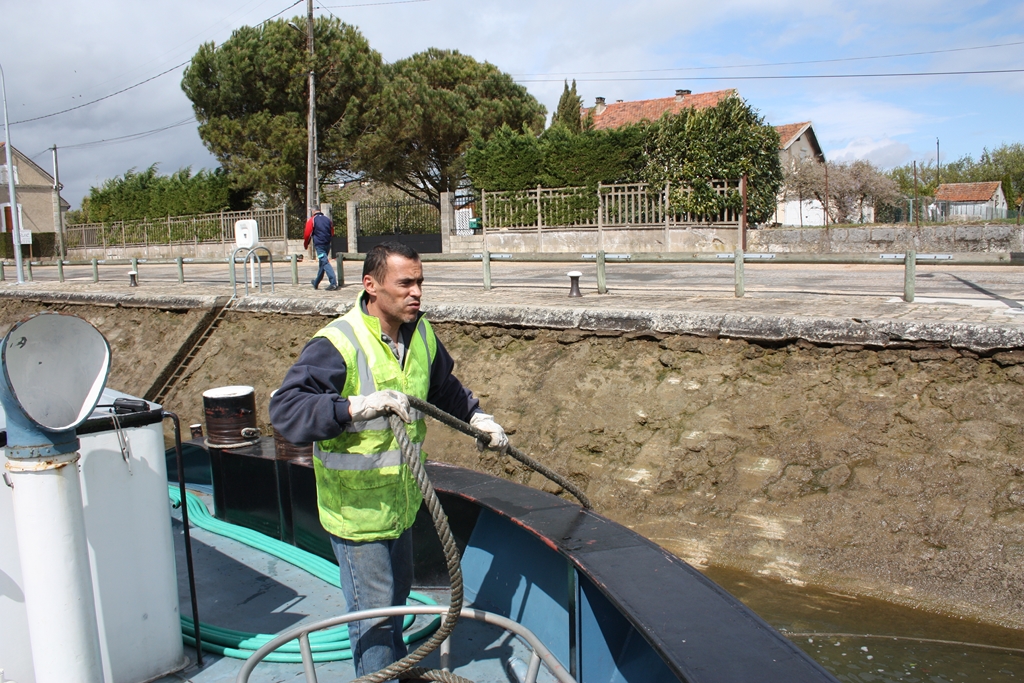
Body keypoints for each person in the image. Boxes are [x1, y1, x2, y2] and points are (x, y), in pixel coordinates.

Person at [269, 241, 508, 677]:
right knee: (375, 617)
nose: (416, 292)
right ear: (371, 285)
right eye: (405, 283)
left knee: (396, 603)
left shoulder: (421, 334)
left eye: (420, 282)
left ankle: (394, 671)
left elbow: (442, 389)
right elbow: (287, 410)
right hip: (357, 513)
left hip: (400, 504)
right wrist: (352, 407)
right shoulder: (338, 342)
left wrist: (477, 418)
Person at [303, 208, 338, 291]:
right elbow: (332, 231)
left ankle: (333, 283)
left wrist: (306, 244)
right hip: (327, 244)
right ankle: (316, 282)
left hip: (319, 245)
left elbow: (307, 234)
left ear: (313, 211)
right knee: (322, 263)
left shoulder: (312, 220)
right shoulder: (327, 220)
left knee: (325, 262)